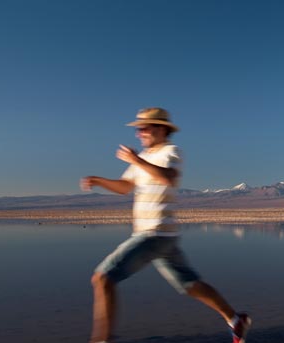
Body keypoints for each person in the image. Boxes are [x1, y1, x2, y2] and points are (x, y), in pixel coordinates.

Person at [81, 108, 251, 343]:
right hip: (163, 237)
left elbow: (168, 177)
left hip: (154, 233)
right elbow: (125, 186)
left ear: (161, 129)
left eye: (144, 128)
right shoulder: (144, 157)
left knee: (102, 278)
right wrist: (99, 180)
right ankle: (235, 319)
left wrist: (136, 160)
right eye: (138, 129)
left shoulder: (170, 151)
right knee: (190, 284)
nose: (139, 133)